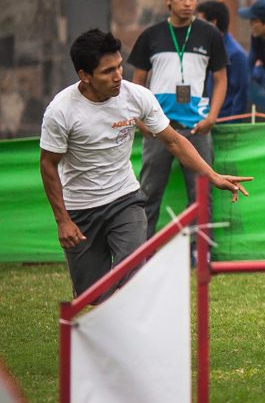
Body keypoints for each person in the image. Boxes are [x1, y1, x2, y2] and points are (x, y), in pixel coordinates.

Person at [40, 29, 251, 304]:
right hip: (81, 208)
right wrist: (62, 220)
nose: (118, 77)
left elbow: (174, 142)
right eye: (107, 72)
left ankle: (135, 330)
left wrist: (212, 175)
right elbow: (48, 164)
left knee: (133, 279)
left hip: (124, 199)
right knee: (93, 296)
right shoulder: (61, 110)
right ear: (85, 76)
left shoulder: (136, 96)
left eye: (119, 67)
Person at [127, 0, 230, 240]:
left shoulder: (210, 34)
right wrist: (139, 120)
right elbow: (137, 82)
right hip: (158, 128)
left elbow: (221, 80)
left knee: (201, 194)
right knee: (147, 196)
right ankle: (142, 255)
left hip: (197, 127)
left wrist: (213, 118)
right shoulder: (151, 35)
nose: (188, 2)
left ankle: (200, 252)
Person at [195, 0, 250, 123]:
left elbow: (240, 96)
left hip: (223, 124)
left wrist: (231, 128)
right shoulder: (205, 49)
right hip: (205, 121)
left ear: (213, 23)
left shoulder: (235, 54)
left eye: (201, 21)